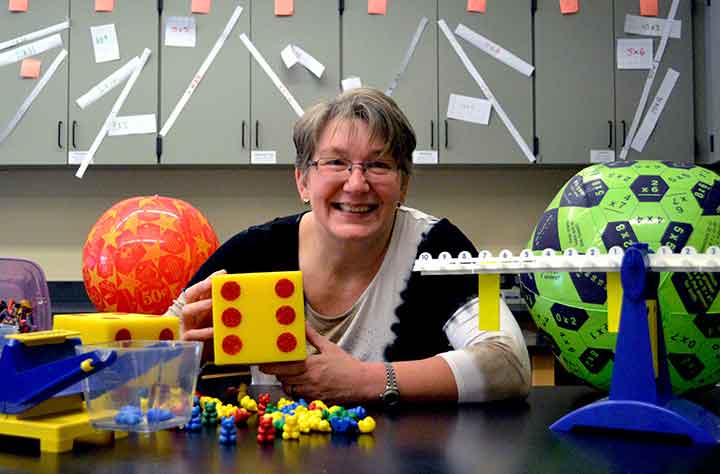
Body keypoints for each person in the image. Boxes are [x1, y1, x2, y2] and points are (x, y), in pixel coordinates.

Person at [166, 88, 531, 406]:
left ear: (403, 184)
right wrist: (178, 351)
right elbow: (140, 357)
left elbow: (508, 361)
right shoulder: (251, 252)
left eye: (379, 164)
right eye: (337, 162)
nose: (357, 184)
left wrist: (364, 381)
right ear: (303, 181)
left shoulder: (446, 247)